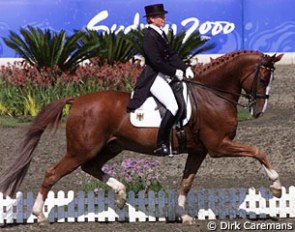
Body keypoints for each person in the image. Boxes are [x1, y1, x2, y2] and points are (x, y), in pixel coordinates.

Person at [127, 3, 194, 156]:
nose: (163, 18)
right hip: (153, 77)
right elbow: (156, 61)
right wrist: (174, 71)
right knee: (173, 105)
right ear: (151, 19)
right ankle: (161, 144)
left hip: (162, 75)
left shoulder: (159, 34)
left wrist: (185, 68)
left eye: (163, 16)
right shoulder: (149, 37)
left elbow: (171, 54)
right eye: (160, 16)